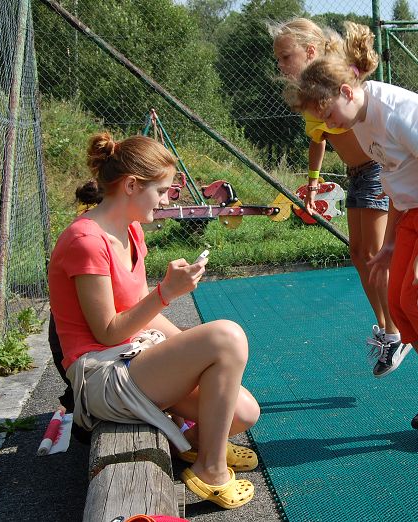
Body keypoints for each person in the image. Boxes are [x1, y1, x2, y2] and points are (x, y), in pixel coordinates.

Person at [285, 22, 418, 437]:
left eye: (328, 114)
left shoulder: (398, 111)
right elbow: (396, 182)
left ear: (347, 91)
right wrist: (393, 242)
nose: (328, 124)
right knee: (398, 303)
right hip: (417, 206)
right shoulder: (358, 122)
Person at [47, 132, 260, 509]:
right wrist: (166, 293)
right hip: (101, 376)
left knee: (243, 412)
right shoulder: (86, 241)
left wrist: (191, 351)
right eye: (162, 191)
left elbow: (138, 310)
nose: (166, 200)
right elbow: (107, 332)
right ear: (131, 185)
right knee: (227, 336)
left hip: (132, 357)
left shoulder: (130, 230)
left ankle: (194, 445)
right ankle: (211, 470)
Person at [270, 18, 411, 377]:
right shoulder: (308, 95)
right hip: (356, 174)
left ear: (310, 51)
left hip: (376, 169)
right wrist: (313, 182)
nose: (281, 65)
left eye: (286, 56)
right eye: (279, 59)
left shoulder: (334, 82)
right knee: (359, 254)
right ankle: (387, 329)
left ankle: (398, 332)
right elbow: (318, 140)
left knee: (375, 256)